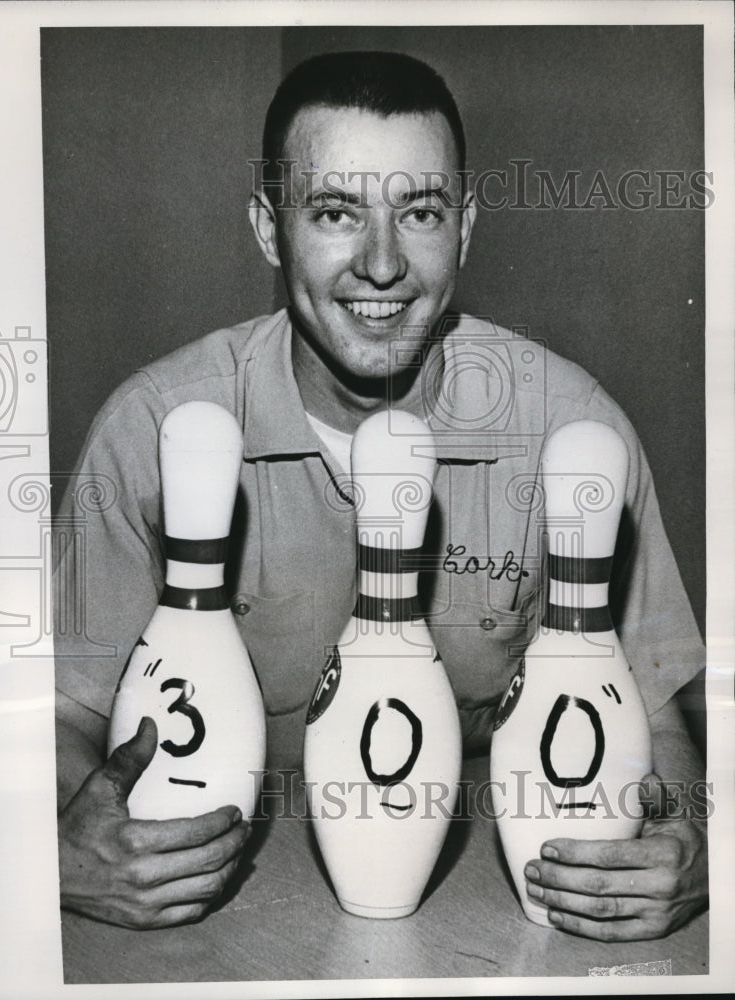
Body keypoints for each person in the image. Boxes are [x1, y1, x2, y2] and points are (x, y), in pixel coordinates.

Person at [54, 51, 708, 939]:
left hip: (486, 905)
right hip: (206, 910)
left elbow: (662, 724)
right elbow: (55, 721)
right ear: (267, 227)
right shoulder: (154, 429)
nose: (382, 264)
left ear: (466, 229)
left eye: (421, 212)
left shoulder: (574, 430)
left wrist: (694, 837)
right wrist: (59, 846)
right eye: (334, 212)